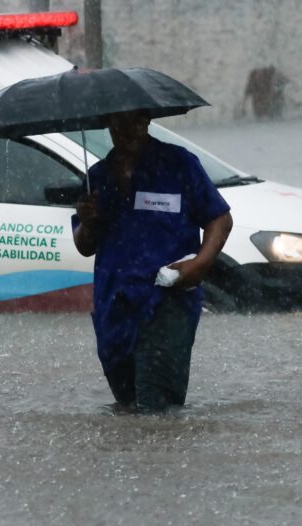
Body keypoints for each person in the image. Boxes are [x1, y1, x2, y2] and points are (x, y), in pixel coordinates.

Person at [72, 110, 233, 412]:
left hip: (166, 302)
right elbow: (84, 246)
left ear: (147, 121)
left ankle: (165, 461)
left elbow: (220, 218)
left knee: (157, 410)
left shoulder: (179, 164)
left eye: (135, 121)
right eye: (120, 123)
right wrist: (88, 220)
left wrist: (200, 264)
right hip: (113, 309)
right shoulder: (97, 177)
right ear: (109, 125)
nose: (128, 130)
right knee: (129, 411)